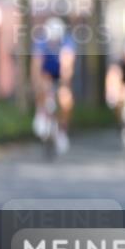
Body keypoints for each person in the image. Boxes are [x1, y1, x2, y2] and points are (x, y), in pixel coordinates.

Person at [30, 17, 76, 154]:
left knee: (66, 100)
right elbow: (36, 65)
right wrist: (36, 83)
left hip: (60, 73)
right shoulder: (41, 42)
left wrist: (65, 85)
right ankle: (40, 112)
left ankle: (62, 129)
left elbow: (67, 64)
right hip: (46, 73)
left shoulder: (67, 42)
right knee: (41, 86)